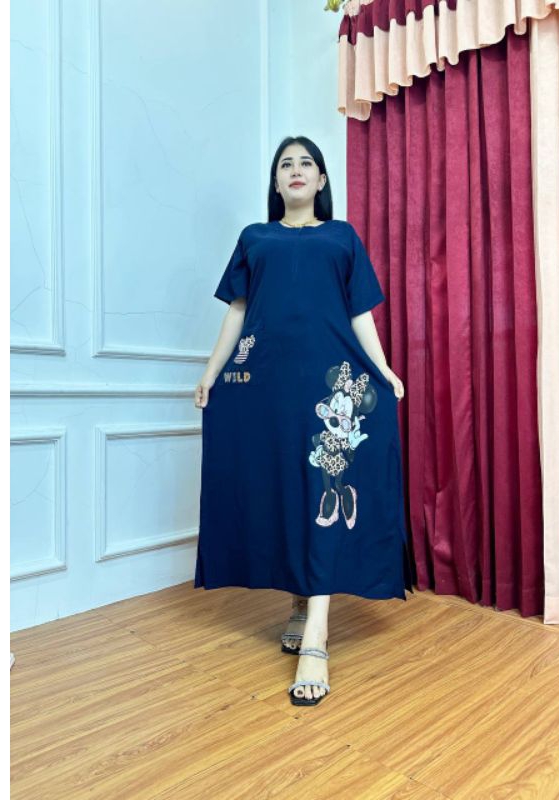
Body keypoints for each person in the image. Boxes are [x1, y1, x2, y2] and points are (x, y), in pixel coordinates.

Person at [193, 136, 415, 706]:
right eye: (285, 164)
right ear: (276, 182)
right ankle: (297, 601)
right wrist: (211, 372)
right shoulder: (255, 237)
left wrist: (383, 369)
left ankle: (316, 633)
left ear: (321, 180)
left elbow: (358, 312)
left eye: (306, 163)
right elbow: (239, 310)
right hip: (265, 384)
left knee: (321, 490)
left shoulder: (342, 237)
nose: (296, 170)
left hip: (328, 382)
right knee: (282, 490)